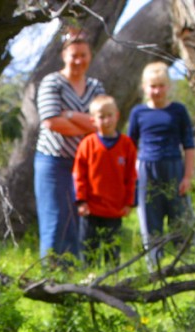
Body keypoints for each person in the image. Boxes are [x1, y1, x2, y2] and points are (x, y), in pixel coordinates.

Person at [34, 29, 105, 264]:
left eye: (83, 55)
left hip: (85, 163)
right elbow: (52, 121)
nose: (78, 61)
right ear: (64, 55)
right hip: (53, 162)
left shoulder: (96, 87)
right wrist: (88, 124)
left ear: (90, 56)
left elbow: (102, 122)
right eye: (74, 55)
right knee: (55, 218)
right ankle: (51, 271)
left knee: (77, 218)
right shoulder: (52, 82)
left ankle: (74, 270)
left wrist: (71, 114)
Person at [128, 62, 195, 272]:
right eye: (152, 86)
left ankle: (185, 263)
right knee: (151, 218)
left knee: (180, 216)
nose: (157, 91)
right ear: (145, 87)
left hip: (174, 166)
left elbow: (189, 146)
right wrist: (131, 180)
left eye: (161, 86)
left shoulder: (178, 110)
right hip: (147, 168)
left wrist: (187, 177)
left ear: (168, 86)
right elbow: (129, 147)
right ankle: (154, 266)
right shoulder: (138, 112)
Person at [72, 95, 137, 267]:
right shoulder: (87, 144)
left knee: (112, 251)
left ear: (117, 115)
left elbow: (131, 176)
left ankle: (112, 281)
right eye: (101, 116)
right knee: (89, 250)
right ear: (93, 120)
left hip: (114, 210)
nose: (106, 120)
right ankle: (89, 281)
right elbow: (79, 175)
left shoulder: (127, 145)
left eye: (110, 115)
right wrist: (81, 201)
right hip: (91, 209)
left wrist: (129, 202)